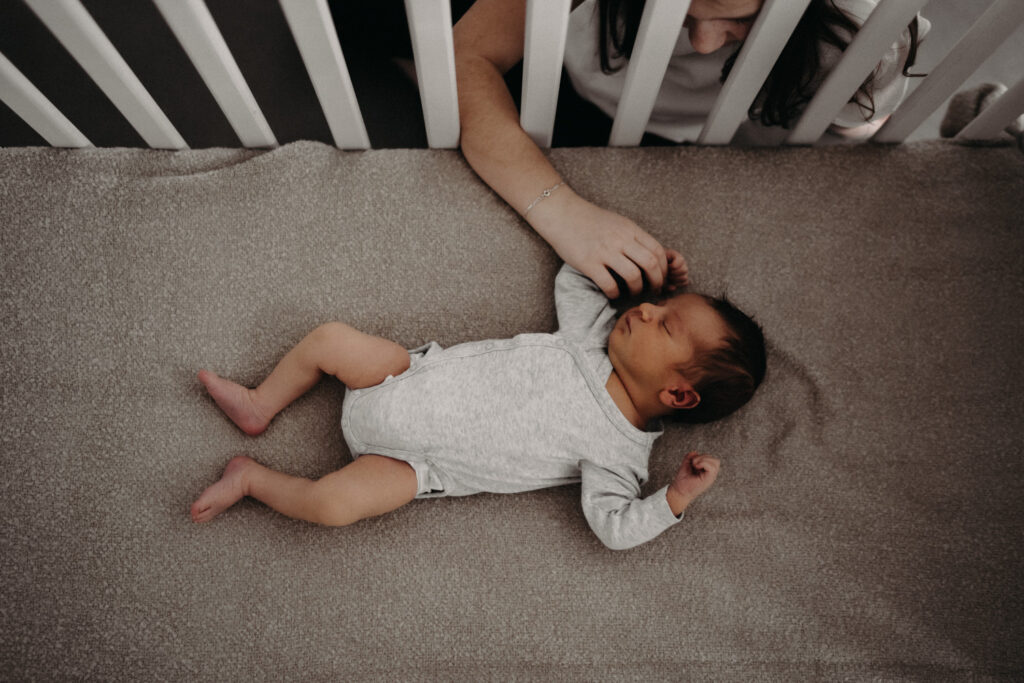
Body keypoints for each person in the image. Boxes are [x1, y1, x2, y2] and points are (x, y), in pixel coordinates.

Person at [190, 252, 767, 550]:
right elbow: (575, 273)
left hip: (414, 466)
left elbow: (614, 528)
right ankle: (259, 404)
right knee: (331, 338)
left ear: (677, 393)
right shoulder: (590, 334)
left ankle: (250, 480)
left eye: (663, 326)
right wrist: (645, 279)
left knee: (334, 506)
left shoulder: (620, 455)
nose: (645, 313)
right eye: (659, 307)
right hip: (404, 376)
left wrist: (674, 498)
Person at [453, 0, 928, 298]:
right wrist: (561, 212)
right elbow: (465, 56)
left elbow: (843, 133)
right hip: (560, 59)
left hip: (671, 128)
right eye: (682, 9)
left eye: (739, 18)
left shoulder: (864, 33)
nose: (703, 45)